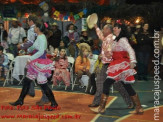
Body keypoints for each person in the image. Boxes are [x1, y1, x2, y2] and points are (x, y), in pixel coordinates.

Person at [90, 23, 144, 114]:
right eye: (114, 27)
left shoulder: (122, 40)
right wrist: (108, 54)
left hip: (121, 65)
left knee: (108, 83)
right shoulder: (115, 41)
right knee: (126, 86)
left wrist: (133, 62)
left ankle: (101, 108)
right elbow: (113, 52)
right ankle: (139, 108)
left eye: (115, 27)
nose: (114, 29)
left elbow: (130, 50)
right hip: (116, 65)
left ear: (119, 29)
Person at [9, 20, 58, 111]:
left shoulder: (42, 37)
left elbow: (41, 51)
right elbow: (35, 47)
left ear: (38, 28)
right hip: (37, 62)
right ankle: (20, 100)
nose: (34, 28)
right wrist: (29, 49)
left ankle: (54, 103)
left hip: (40, 63)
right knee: (27, 81)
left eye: (35, 27)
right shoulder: (39, 36)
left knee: (43, 85)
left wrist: (30, 58)